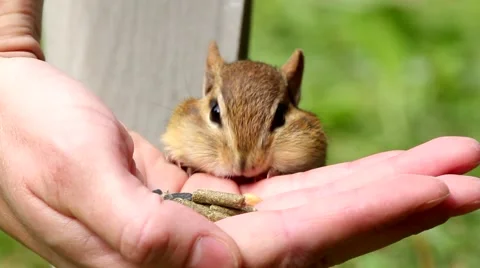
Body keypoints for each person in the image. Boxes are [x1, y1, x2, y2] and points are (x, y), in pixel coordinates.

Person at [1, 2, 480, 268]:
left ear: (292, 97)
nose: (243, 159)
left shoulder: (301, 128)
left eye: (275, 123)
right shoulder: (190, 118)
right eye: (217, 115)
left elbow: (309, 145)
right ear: (206, 90)